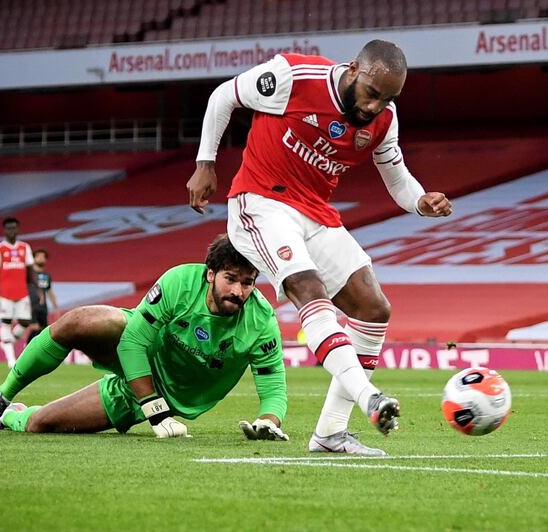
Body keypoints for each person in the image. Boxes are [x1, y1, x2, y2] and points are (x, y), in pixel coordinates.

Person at [186, 40, 452, 455]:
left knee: (374, 308)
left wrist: (420, 201)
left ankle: (330, 433)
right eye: (371, 92)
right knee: (306, 285)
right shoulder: (294, 77)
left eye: (387, 98)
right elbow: (224, 96)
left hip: (315, 214)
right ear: (353, 70)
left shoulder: (384, 120)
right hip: (260, 201)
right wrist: (205, 163)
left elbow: (397, 177)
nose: (375, 106)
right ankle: (369, 398)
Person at [0, 235, 288, 441]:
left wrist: (268, 422)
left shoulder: (261, 321)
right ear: (210, 274)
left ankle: (10, 415)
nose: (238, 291)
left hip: (144, 394)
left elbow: (273, 388)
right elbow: (132, 342)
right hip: (142, 351)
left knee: (39, 424)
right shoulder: (179, 283)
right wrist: (155, 412)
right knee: (79, 321)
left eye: (248, 283)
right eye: (231, 279)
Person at [0, 217, 40, 368]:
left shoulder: (25, 247)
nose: (11, 231)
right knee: (6, 322)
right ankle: (11, 360)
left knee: (25, 322)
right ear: (4, 230)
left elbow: (31, 270)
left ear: (18, 229)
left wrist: (37, 289)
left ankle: (7, 343)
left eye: (14, 228)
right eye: (8, 228)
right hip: (5, 294)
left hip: (22, 293)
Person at [27, 248, 58, 344]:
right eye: (38, 256)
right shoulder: (29, 273)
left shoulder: (46, 275)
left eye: (43, 257)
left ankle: (36, 352)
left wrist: (55, 306)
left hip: (43, 307)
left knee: (43, 330)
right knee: (35, 328)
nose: (41, 258)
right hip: (31, 305)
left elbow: (49, 290)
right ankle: (26, 349)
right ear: (33, 258)